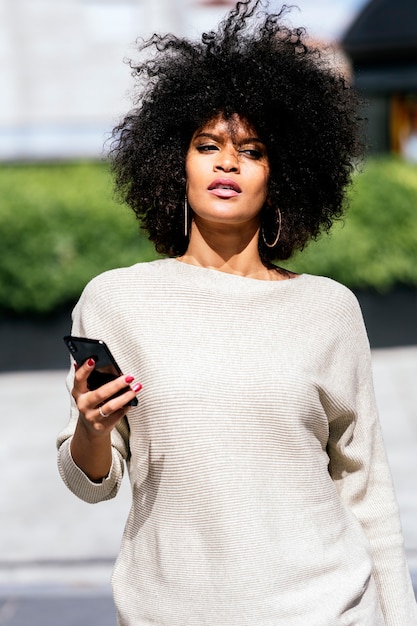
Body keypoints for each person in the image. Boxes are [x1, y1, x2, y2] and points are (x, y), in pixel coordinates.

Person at [57, 1, 417, 624]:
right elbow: (94, 478)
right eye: (207, 146)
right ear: (178, 163)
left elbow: (366, 489)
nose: (227, 162)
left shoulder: (328, 309)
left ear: (282, 176)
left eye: (251, 150)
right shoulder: (116, 300)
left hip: (326, 610)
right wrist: (90, 430)